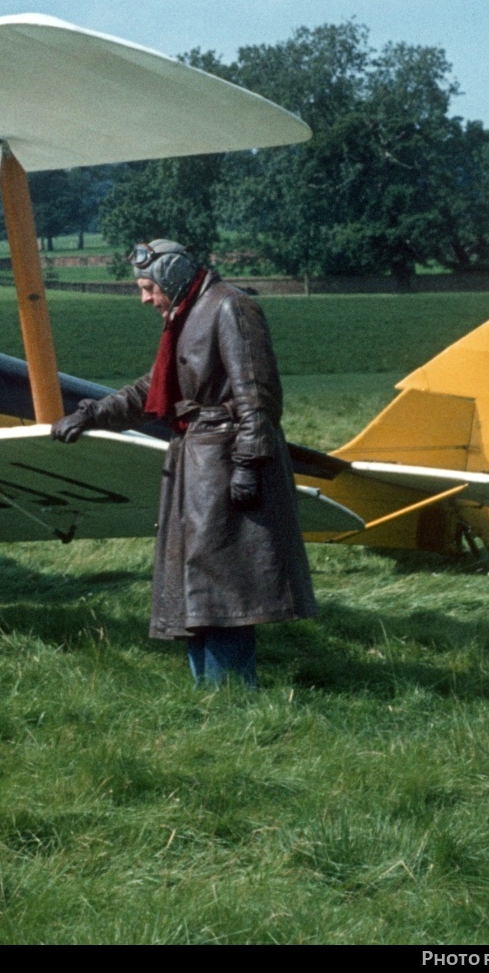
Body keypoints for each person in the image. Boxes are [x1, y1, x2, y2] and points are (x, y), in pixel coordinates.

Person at [50, 239, 316, 688]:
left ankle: (231, 697)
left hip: (224, 461)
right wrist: (93, 413)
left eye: (148, 287)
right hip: (197, 460)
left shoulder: (229, 308)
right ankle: (210, 695)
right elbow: (153, 388)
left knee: (225, 586)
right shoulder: (188, 315)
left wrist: (248, 465)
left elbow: (258, 396)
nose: (145, 299)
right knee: (200, 586)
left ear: (171, 277)